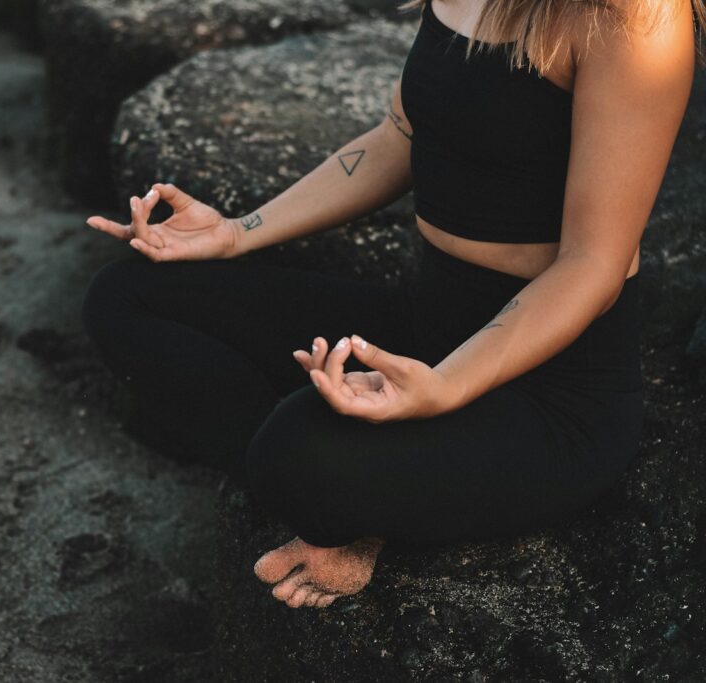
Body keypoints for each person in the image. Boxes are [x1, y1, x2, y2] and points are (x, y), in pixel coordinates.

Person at [80, 0, 701, 609]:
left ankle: (350, 491)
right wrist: (238, 232)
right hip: (425, 322)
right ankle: (365, 489)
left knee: (295, 453)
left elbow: (593, 266)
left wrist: (446, 386)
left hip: (550, 391)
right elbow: (398, 137)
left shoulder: (636, 19)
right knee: (131, 297)